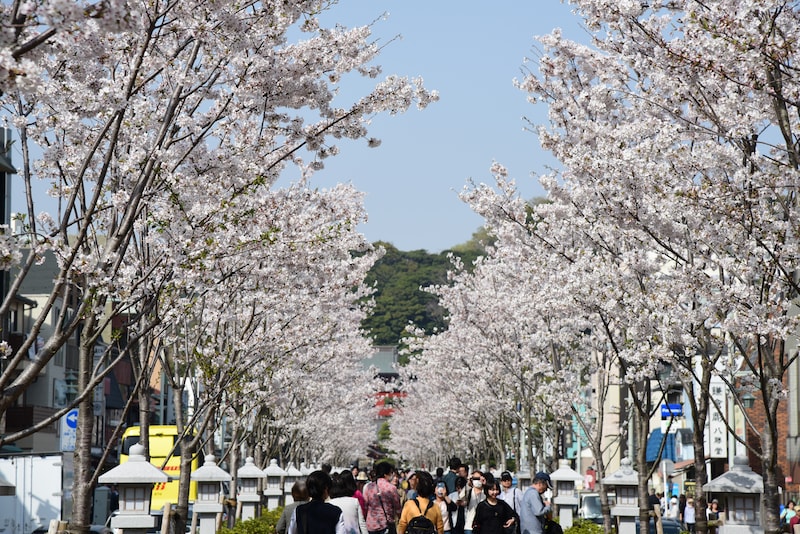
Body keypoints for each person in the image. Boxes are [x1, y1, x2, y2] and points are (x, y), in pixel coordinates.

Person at [364, 462, 402, 534]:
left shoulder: (369, 487)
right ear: (385, 474)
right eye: (391, 473)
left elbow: (365, 506)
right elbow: (398, 508)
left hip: (370, 524)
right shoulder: (392, 488)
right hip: (385, 525)